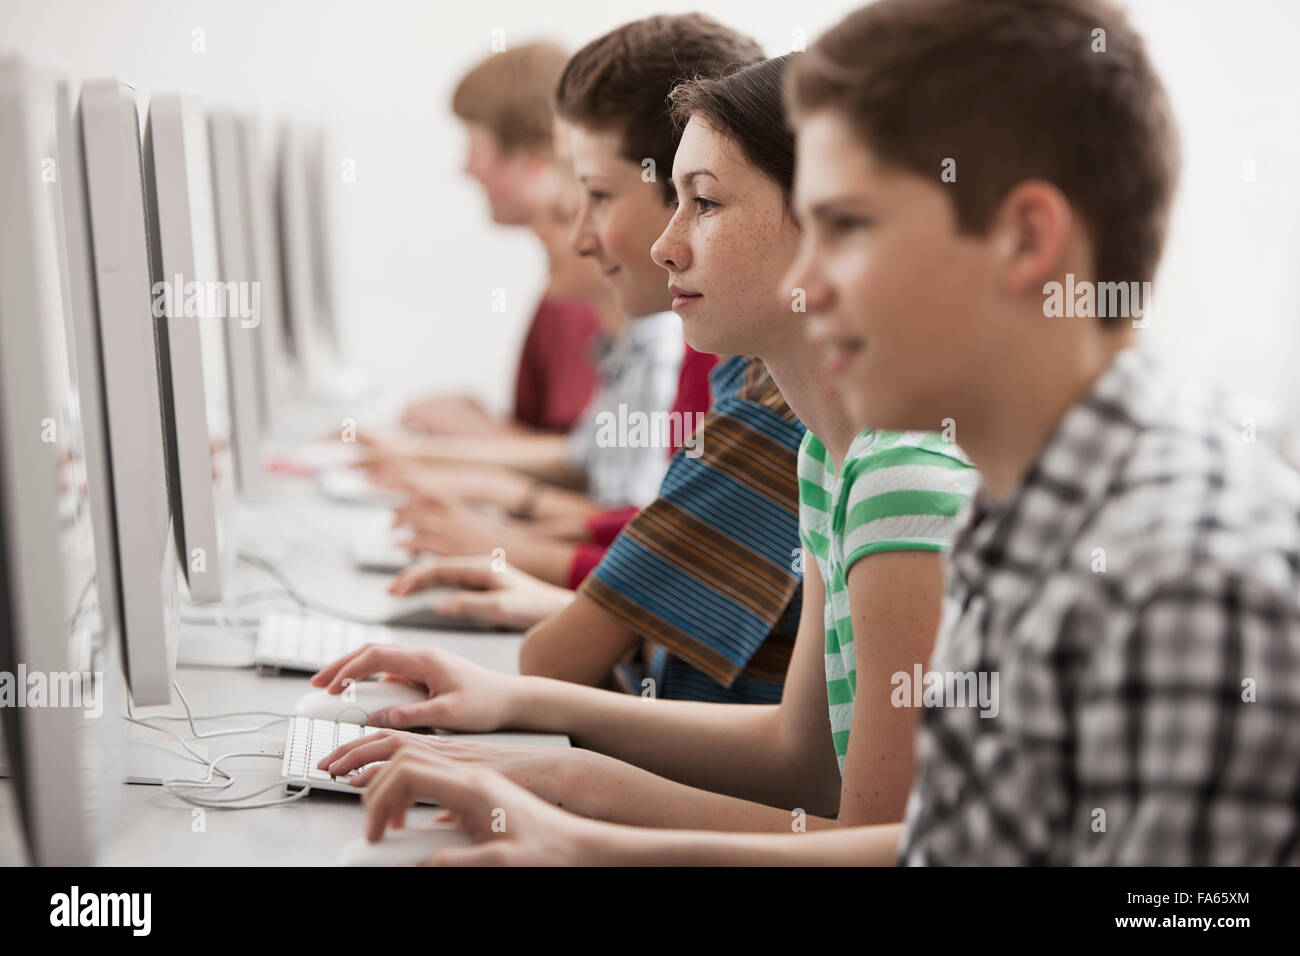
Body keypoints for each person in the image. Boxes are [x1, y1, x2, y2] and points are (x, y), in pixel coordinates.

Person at [351, 0, 1300, 865]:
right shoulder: (1023, 513)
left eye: (847, 226)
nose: (817, 281)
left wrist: (577, 828)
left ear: (1025, 242)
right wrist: (558, 800)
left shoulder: (1186, 580)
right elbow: (912, 839)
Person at [315, 51, 976, 850]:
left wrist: (575, 832)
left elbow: (880, 845)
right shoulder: (830, 459)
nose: (666, 245)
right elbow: (801, 762)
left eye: (702, 203)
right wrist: (524, 742)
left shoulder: (904, 476)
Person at [402, 41, 605, 438]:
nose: (466, 168)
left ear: (532, 159)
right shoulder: (566, 281)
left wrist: (480, 433)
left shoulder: (581, 291)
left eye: (475, 146)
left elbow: (583, 467)